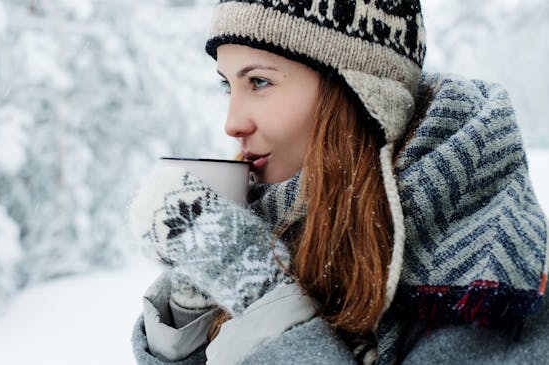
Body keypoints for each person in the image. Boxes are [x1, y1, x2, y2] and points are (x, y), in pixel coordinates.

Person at [128, 1, 549, 364]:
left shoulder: (486, 274)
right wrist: (195, 298)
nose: (232, 124)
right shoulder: (282, 216)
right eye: (228, 85)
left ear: (356, 92)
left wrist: (261, 297)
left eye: (259, 81)